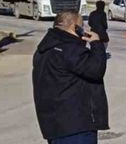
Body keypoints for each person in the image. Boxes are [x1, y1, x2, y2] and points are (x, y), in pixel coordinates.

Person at [32, 10, 108, 144]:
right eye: (82, 26)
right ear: (75, 27)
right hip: (76, 126)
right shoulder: (70, 50)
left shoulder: (43, 50)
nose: (84, 30)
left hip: (53, 126)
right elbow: (96, 70)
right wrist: (96, 44)